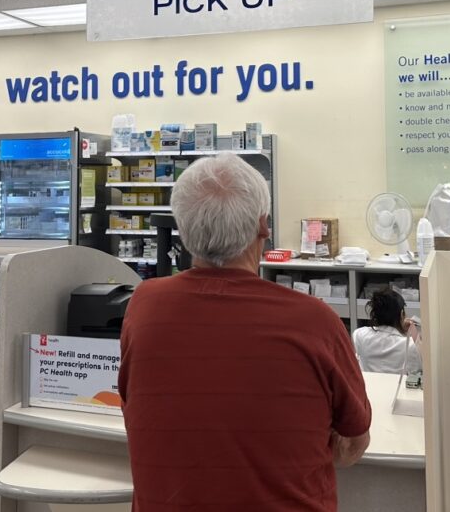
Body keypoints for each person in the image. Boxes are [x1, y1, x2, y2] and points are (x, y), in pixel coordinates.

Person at [119, 153, 372, 511]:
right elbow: (353, 444)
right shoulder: (315, 321)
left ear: (183, 226)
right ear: (263, 226)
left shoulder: (144, 306)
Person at [352, 287, 422, 375]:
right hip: (398, 388)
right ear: (401, 314)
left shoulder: (359, 335)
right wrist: (408, 332)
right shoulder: (410, 345)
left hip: (369, 387)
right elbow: (421, 365)